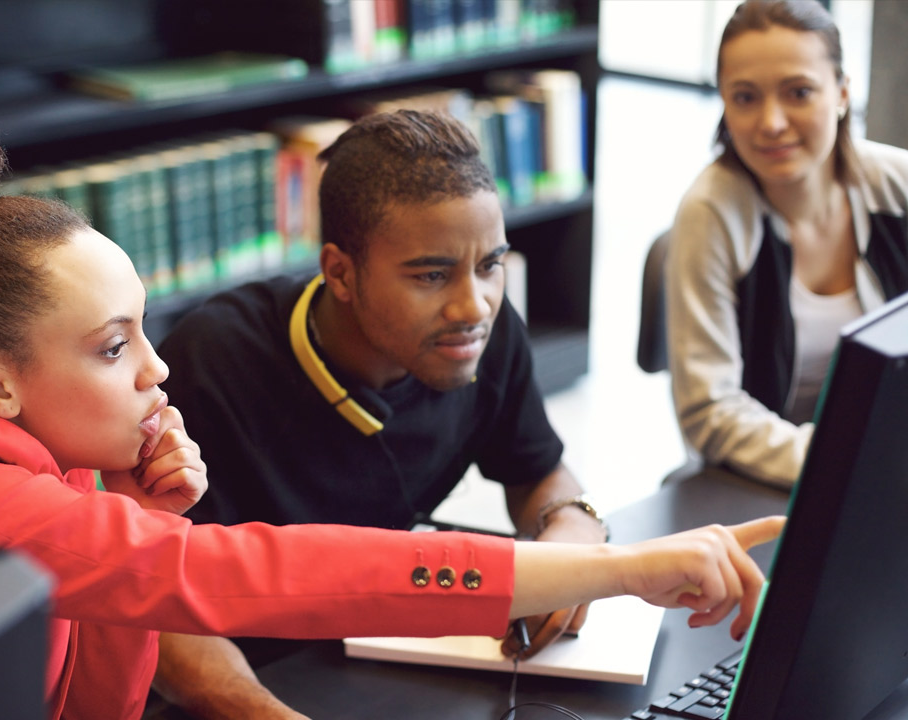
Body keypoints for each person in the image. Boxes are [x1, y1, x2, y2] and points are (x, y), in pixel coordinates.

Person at [0, 102, 782, 720]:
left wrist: (133, 520)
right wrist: (622, 568)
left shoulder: (47, 469)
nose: (157, 369)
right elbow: (251, 573)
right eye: (114, 347)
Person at [151, 109, 652, 718]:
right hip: (254, 676)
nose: (474, 305)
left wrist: (573, 530)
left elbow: (535, 469)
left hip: (381, 655)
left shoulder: (484, 335)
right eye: (433, 275)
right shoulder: (212, 361)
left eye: (490, 265)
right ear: (340, 272)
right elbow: (155, 607)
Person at [666, 0, 908, 487]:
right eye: (746, 97)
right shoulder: (710, 214)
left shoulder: (897, 186)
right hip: (768, 484)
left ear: (841, 93)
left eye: (798, 92)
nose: (771, 122)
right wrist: (843, 460)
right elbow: (709, 411)